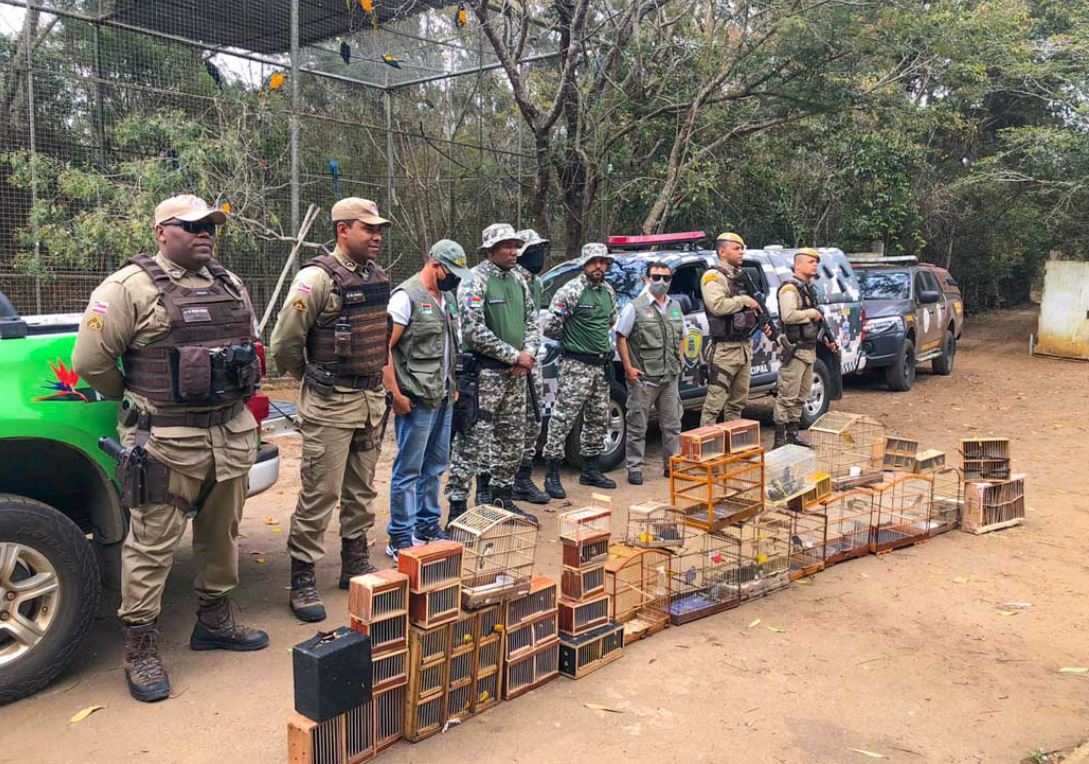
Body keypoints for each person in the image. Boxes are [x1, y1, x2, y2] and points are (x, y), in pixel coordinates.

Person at [72, 194, 268, 703]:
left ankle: (215, 619)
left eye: (211, 226)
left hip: (230, 433)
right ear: (161, 232)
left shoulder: (230, 284)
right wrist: (137, 399)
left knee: (222, 532)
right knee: (153, 544)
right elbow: (90, 362)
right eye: (192, 225)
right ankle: (140, 646)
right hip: (165, 441)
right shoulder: (127, 288)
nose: (205, 232)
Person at [270, 198, 390, 622]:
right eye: (367, 228)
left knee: (362, 490)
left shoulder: (377, 277)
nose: (376, 236)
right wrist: (312, 375)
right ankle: (303, 578)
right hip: (330, 402)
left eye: (379, 230)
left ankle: (355, 562)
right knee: (320, 492)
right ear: (343, 230)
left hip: (370, 401)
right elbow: (283, 343)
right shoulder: (315, 279)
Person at [444, 223, 540, 525]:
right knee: (470, 442)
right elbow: (473, 329)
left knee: (512, 439)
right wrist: (514, 355)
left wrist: (528, 355)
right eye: (507, 246)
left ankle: (501, 498)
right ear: (489, 251)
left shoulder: (518, 280)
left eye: (515, 245)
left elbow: (532, 322)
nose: (514, 251)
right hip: (484, 376)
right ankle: (457, 508)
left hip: (516, 376)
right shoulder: (475, 281)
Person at [381, 240, 471, 560]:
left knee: (434, 467)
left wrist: (453, 385)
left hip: (443, 397)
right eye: (451, 271)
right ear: (435, 265)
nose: (455, 279)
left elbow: (448, 348)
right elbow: (384, 350)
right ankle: (400, 536)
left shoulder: (447, 298)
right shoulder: (406, 298)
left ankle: (427, 525)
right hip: (416, 400)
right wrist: (395, 394)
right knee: (409, 469)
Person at [541, 243, 619, 497]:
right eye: (593, 262)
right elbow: (551, 327)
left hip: (600, 365)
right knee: (563, 418)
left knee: (598, 417)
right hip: (575, 365)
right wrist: (575, 340)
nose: (598, 266)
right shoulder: (570, 291)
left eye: (602, 262)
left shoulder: (608, 291)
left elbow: (610, 321)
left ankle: (590, 468)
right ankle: (552, 473)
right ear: (584, 264)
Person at [615, 260, 686, 484]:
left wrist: (680, 360)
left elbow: (682, 336)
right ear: (647, 279)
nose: (661, 282)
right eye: (656, 277)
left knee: (672, 425)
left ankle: (671, 466)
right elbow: (621, 336)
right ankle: (635, 469)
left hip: (669, 378)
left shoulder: (675, 306)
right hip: (645, 378)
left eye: (666, 278)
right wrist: (628, 368)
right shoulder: (634, 306)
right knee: (637, 425)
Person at [773, 248, 838, 447]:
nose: (814, 265)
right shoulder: (789, 289)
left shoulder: (808, 289)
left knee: (802, 396)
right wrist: (811, 313)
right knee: (787, 396)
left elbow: (813, 324)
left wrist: (825, 338)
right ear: (798, 264)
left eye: (816, 262)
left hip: (809, 350)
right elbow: (789, 316)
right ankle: (779, 439)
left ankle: (793, 434)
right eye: (810, 261)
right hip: (794, 351)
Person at [699, 231, 762, 427]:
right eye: (736, 248)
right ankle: (706, 448)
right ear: (722, 251)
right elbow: (716, 306)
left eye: (742, 248)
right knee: (714, 404)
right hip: (725, 350)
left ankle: (731, 447)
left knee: (737, 404)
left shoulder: (739, 277)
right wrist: (744, 301)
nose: (741, 252)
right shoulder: (713, 276)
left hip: (743, 348)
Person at [509, 229, 551, 504]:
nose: (539, 256)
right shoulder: (510, 280)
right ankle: (506, 481)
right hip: (511, 361)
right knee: (509, 424)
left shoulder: (536, 283)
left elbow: (534, 324)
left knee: (534, 420)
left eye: (541, 250)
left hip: (533, 359)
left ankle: (523, 478)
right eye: (533, 250)